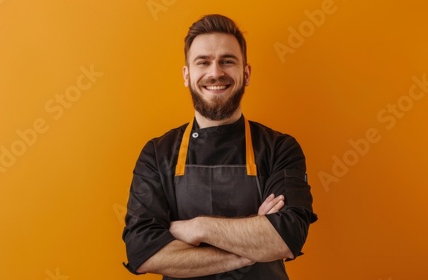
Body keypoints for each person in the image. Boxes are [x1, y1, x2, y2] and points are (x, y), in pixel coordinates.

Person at [122, 14, 317, 279]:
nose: (215, 72)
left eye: (227, 61)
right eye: (203, 62)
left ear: (245, 73)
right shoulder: (157, 154)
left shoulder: (280, 148)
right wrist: (255, 244)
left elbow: (287, 237)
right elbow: (143, 252)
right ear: (187, 75)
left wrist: (197, 228)